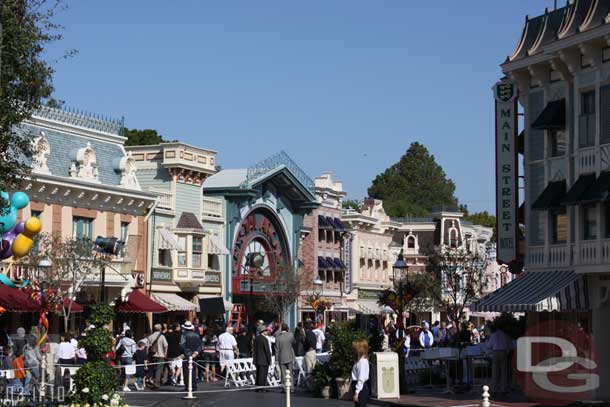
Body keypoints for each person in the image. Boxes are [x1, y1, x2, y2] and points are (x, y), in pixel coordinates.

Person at [487, 324, 511, 396]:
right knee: (504, 371)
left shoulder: (493, 335)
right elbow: (509, 345)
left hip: (495, 352)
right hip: (503, 352)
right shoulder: (505, 335)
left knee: (495, 371)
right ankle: (504, 389)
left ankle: (494, 389)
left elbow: (489, 346)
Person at [180, 321, 202, 391]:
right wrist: (196, 352)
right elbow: (200, 345)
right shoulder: (196, 335)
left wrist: (185, 352)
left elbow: (182, 345)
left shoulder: (184, 335)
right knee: (193, 371)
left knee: (186, 371)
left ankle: (188, 386)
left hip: (187, 355)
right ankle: (194, 386)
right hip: (194, 355)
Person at [146, 323, 168, 389]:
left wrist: (147, 356)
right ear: (160, 329)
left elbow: (147, 347)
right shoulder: (162, 336)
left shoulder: (150, 336)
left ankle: (150, 380)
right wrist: (165, 354)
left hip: (152, 355)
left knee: (151, 368)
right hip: (160, 355)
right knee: (159, 369)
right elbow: (166, 345)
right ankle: (156, 383)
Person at [276, 323, 295, 391]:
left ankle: (285, 388)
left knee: (283, 374)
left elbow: (277, 349)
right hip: (290, 356)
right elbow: (294, 343)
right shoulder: (291, 335)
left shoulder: (278, 337)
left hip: (281, 357)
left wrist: (276, 359)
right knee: (290, 373)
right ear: (287, 328)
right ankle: (292, 387)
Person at [351, 339, 370, 407]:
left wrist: (357, 392)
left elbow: (361, 379)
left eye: (354, 349)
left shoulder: (362, 362)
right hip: (358, 386)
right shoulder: (359, 361)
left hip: (361, 388)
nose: (353, 351)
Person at [253, 327, 271, 391]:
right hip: (264, 359)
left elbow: (254, 349)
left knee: (258, 373)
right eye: (266, 331)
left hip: (257, 358)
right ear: (263, 331)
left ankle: (257, 387)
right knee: (263, 374)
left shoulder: (256, 338)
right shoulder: (264, 339)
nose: (267, 332)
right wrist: (269, 360)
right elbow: (267, 350)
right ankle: (262, 387)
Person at [303, 322, 317, 386]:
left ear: (306, 329)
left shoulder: (308, 334)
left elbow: (308, 342)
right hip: (314, 352)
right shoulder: (313, 334)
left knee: (309, 370)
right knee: (313, 368)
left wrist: (306, 348)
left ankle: (311, 386)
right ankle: (314, 384)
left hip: (309, 352)